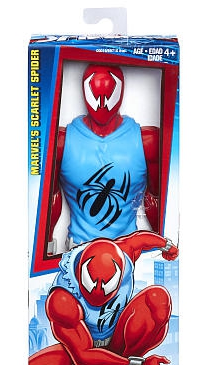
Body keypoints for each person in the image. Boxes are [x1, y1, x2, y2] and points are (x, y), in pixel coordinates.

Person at [29, 230, 178, 365]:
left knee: (157, 299)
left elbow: (141, 239)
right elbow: (83, 355)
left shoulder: (125, 252)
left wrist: (167, 246)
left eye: (106, 288)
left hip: (120, 338)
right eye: (91, 286)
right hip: (82, 348)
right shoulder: (62, 299)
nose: (98, 293)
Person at [48, 64, 161, 253]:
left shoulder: (148, 141)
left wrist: (162, 248)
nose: (102, 102)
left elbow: (156, 199)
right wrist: (46, 250)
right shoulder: (59, 142)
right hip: (79, 250)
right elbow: (50, 199)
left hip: (127, 252)